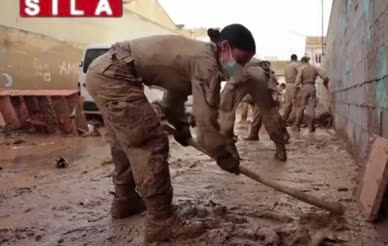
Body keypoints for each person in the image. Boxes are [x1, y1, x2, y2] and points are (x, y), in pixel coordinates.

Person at [85, 24, 256, 244]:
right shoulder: (207, 64)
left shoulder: (198, 56)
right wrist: (224, 156)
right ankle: (161, 223)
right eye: (240, 60)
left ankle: (125, 201)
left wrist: (182, 128)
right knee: (150, 141)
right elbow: (206, 123)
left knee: (126, 141)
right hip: (115, 75)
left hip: (103, 71)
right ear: (225, 47)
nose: (239, 68)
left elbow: (174, 98)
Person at [219, 60, 290, 161]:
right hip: (260, 72)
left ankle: (231, 151)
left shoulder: (220, 54)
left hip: (240, 70)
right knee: (268, 110)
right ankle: (281, 150)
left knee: (226, 108)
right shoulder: (251, 57)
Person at [293, 56, 329, 132]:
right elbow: (325, 77)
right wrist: (325, 85)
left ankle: (297, 126)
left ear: (303, 61)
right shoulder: (315, 68)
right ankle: (311, 127)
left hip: (304, 87)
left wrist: (296, 90)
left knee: (301, 107)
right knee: (311, 108)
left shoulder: (302, 69)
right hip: (312, 87)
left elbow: (297, 82)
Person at [281, 54, 302, 125]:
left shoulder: (287, 66)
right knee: (295, 103)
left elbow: (285, 76)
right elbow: (300, 74)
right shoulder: (296, 65)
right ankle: (293, 120)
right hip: (294, 84)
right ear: (296, 58)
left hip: (287, 85)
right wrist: (298, 83)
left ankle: (284, 119)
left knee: (287, 103)